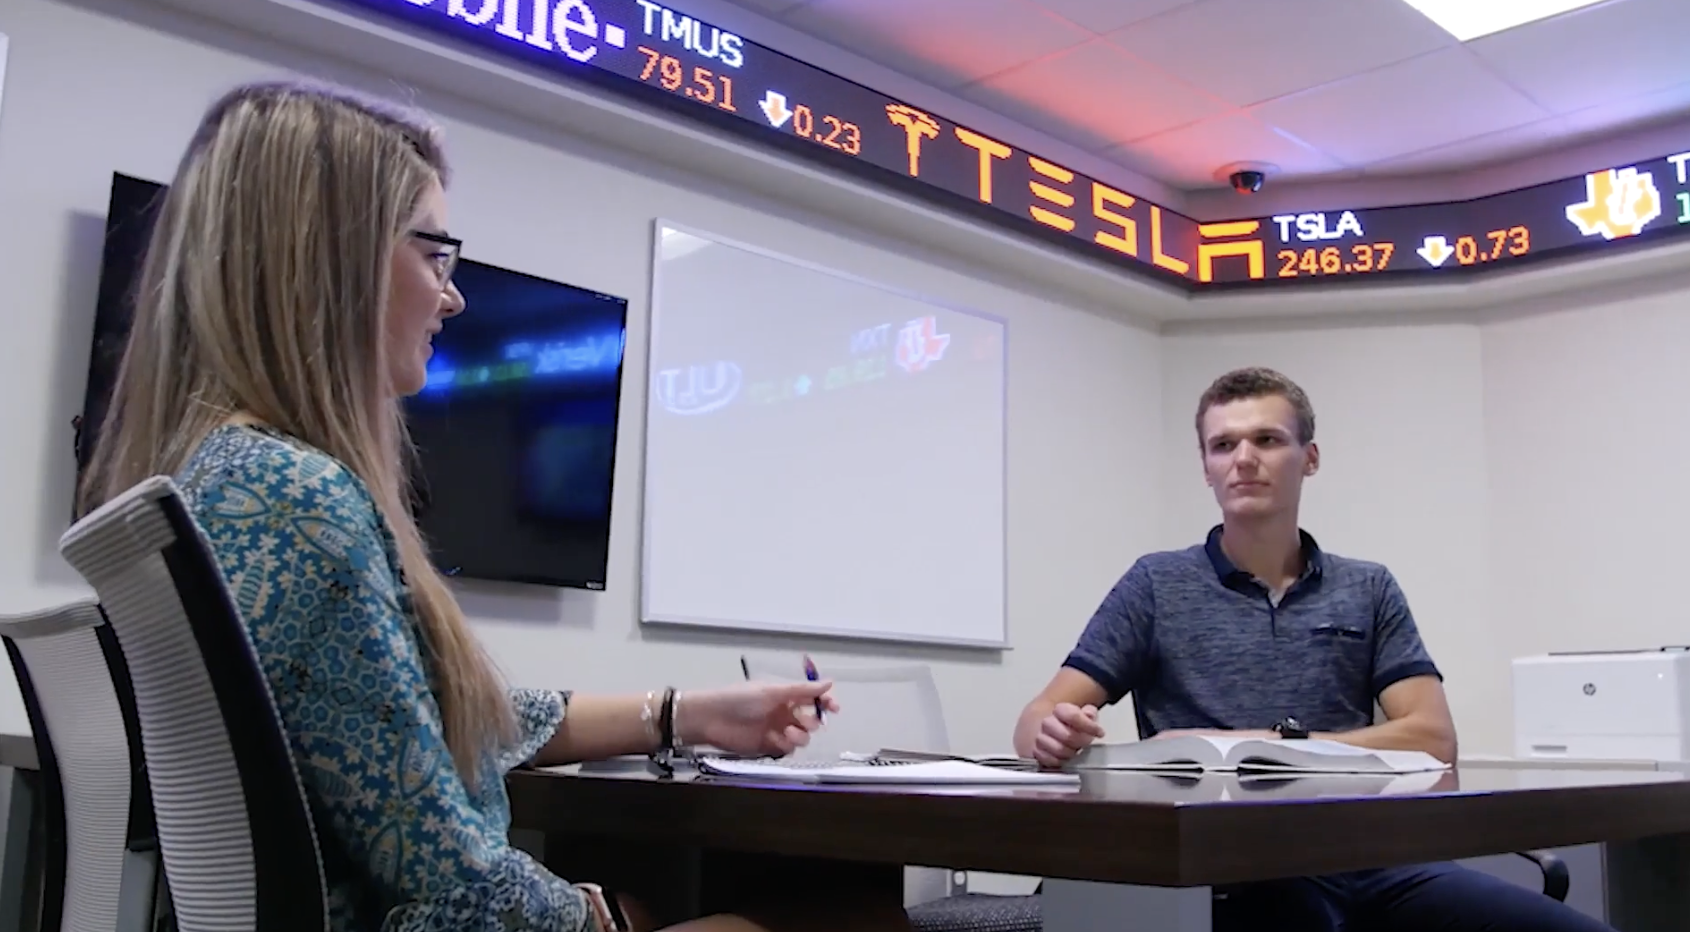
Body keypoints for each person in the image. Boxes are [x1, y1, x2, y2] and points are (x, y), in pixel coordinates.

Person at [77, 79, 907, 932]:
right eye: (435, 253)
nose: (453, 295)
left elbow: (419, 726)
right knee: (856, 917)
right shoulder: (301, 503)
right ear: (331, 255)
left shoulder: (221, 481)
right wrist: (599, 915)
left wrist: (681, 714)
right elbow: (455, 885)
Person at [1011, 367, 1613, 932]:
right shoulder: (1156, 584)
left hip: (1376, 857)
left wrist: (1269, 747)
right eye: (1223, 446)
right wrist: (1050, 733)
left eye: (1267, 439)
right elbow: (1038, 719)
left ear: (1311, 458)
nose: (1244, 460)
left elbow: (1433, 738)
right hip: (1229, 872)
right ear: (1206, 469)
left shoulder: (1367, 586)